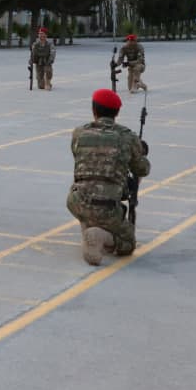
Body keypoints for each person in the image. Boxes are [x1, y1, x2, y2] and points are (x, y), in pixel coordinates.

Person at [67, 89, 150, 265]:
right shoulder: (127, 137)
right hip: (108, 206)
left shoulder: (79, 133)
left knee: (82, 184)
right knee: (127, 244)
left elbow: (79, 158)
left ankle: (88, 226)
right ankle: (100, 235)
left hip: (77, 201)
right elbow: (142, 169)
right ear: (117, 113)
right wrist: (139, 153)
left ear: (93, 110)